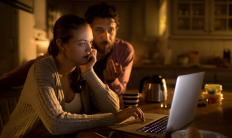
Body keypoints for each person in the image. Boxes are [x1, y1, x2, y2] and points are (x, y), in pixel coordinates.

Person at [0, 14, 144, 138]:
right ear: (61, 45)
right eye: (82, 44)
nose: (90, 50)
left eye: (90, 42)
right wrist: (113, 118)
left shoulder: (80, 70)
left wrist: (89, 73)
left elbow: (113, 107)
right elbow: (55, 123)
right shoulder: (42, 69)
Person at [0, 2, 134, 97]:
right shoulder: (74, 50)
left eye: (111, 30)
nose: (106, 36)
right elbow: (40, 63)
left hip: (101, 108)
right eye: (99, 30)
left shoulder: (124, 50)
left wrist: (112, 81)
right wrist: (4, 82)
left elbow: (119, 92)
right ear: (89, 30)